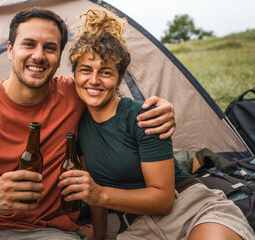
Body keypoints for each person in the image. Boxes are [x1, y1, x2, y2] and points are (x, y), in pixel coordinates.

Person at [0, 7, 175, 240]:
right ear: (9, 50)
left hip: (49, 230)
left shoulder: (74, 94)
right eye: (29, 44)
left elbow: (108, 96)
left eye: (50, 48)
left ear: (59, 58)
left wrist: (160, 108)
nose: (39, 55)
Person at [58, 8, 255, 240]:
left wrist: (98, 194)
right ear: (74, 75)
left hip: (189, 208)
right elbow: (95, 195)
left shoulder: (143, 116)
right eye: (85, 70)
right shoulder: (76, 123)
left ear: (119, 78)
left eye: (106, 72)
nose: (93, 80)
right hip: (136, 227)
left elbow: (162, 201)